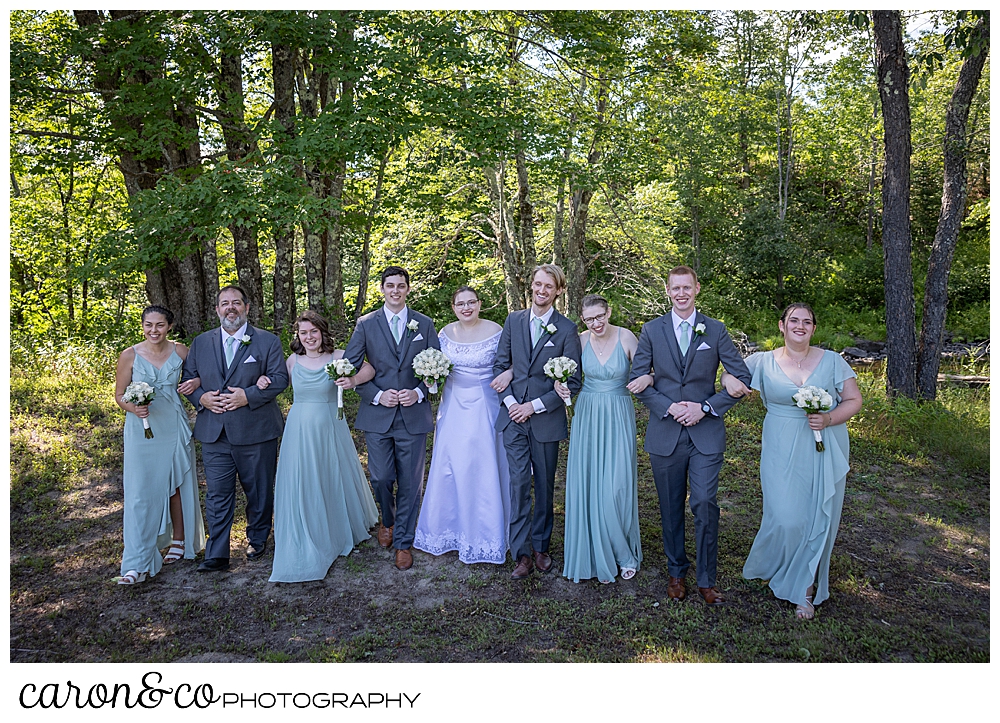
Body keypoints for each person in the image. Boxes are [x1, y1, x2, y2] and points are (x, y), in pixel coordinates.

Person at [723, 303, 863, 620]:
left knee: (818, 515)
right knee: (785, 516)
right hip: (780, 444)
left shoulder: (833, 361)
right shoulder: (762, 361)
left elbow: (854, 400)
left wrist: (828, 418)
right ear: (782, 326)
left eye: (807, 321)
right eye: (793, 320)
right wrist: (727, 380)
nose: (800, 325)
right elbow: (730, 372)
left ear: (814, 328)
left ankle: (806, 589)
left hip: (824, 443)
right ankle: (779, 565)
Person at [628, 265, 750, 605]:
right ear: (668, 291)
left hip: (705, 432)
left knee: (705, 503)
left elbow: (741, 378)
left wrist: (706, 407)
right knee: (670, 508)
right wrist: (670, 407)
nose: (681, 293)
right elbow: (639, 381)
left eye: (687, 287)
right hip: (666, 431)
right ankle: (676, 572)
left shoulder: (715, 330)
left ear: (697, 288)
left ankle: (706, 579)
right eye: (675, 288)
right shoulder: (651, 330)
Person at [253, 311, 380, 583]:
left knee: (331, 474)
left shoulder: (338, 358)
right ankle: (308, 529)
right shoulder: (291, 361)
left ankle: (336, 526)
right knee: (303, 477)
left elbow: (369, 368)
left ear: (322, 332)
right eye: (303, 332)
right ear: (297, 335)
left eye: (313, 331)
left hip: (329, 425)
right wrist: (262, 380)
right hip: (299, 428)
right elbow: (277, 382)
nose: (308, 337)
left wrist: (352, 381)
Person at [181, 286, 289, 573]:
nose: (231, 308)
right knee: (217, 493)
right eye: (224, 303)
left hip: (256, 431)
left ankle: (257, 537)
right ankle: (217, 553)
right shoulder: (201, 342)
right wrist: (200, 398)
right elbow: (189, 379)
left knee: (259, 490)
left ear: (247, 308)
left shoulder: (267, 341)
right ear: (217, 310)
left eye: (236, 303)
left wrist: (248, 396)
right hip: (214, 432)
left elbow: (280, 379)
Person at [344, 266, 441, 571]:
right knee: (382, 477)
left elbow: (438, 369)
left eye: (401, 286)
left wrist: (420, 393)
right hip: (378, 414)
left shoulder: (424, 324)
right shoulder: (366, 324)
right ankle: (387, 518)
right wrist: (375, 394)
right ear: (382, 289)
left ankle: (403, 541)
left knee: (411, 481)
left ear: (408, 289)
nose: (395, 291)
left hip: (413, 414)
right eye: (390, 286)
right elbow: (350, 368)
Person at [492, 264, 583, 579]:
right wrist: (512, 404)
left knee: (544, 485)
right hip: (513, 417)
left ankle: (541, 546)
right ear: (530, 286)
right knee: (519, 485)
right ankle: (521, 553)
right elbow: (500, 365)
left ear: (559, 291)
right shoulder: (514, 320)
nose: (541, 290)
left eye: (549, 286)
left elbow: (573, 382)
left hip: (545, 418)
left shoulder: (567, 329)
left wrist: (533, 406)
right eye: (537, 284)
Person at [554, 294, 650, 584]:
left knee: (616, 485)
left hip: (619, 413)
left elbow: (649, 371)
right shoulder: (579, 340)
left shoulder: (627, 337)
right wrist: (560, 385)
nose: (596, 323)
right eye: (589, 319)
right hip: (588, 414)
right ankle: (593, 550)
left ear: (609, 312)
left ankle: (623, 552)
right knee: (590, 482)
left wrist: (648, 379)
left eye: (600, 316)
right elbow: (569, 377)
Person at [414, 287, 512, 564]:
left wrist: (508, 374)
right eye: (461, 304)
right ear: (454, 307)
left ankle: (487, 533)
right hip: (454, 403)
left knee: (483, 463)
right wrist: (430, 377)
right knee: (450, 463)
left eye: (471, 302)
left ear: (480, 304)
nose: (466, 307)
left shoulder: (497, 330)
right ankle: (448, 531)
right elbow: (437, 366)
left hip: (486, 403)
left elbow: (514, 363)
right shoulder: (444, 333)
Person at [114, 305, 206, 585]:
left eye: (160, 325)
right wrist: (134, 408)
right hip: (143, 428)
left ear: (169, 326)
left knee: (177, 482)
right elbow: (119, 395)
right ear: (142, 325)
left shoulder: (181, 351)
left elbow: (202, 375)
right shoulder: (129, 355)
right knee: (141, 490)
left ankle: (180, 540)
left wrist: (197, 381)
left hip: (173, 424)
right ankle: (137, 560)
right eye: (148, 325)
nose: (154, 330)